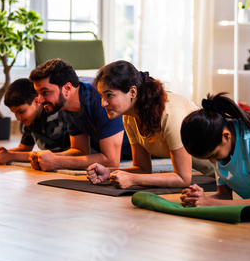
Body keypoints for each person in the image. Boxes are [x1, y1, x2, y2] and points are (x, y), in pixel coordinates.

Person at [86, 60, 216, 190]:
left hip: (231, 172)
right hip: (221, 178)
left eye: (109, 95)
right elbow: (142, 169)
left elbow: (183, 178)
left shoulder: (170, 114)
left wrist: (133, 179)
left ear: (132, 92)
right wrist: (109, 172)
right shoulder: (129, 118)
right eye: (102, 96)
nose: (103, 103)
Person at [27, 59, 131, 171]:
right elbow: (80, 150)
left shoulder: (101, 99)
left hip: (141, 152)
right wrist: (46, 157)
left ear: (67, 88)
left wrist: (57, 162)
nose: (40, 100)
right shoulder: (68, 104)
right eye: (38, 93)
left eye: (45, 92)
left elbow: (111, 161)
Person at [0, 78, 69, 164]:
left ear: (36, 102)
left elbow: (52, 154)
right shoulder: (31, 119)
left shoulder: (53, 115)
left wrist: (11, 156)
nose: (18, 117)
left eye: (21, 112)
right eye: (14, 113)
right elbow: (24, 148)